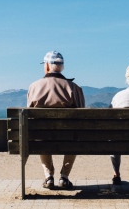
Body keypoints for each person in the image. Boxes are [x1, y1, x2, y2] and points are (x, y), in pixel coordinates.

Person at [27, 50, 85, 189]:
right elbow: (82, 115)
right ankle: (64, 177)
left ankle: (48, 177)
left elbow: (29, 115)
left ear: (47, 66)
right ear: (62, 67)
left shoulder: (34, 86)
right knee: (74, 137)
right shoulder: (74, 88)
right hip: (68, 137)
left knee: (41, 136)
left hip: (43, 137)